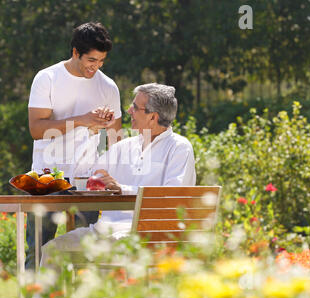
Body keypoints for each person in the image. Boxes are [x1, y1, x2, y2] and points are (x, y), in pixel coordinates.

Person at [40, 83, 196, 268]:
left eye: (136, 107)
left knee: (94, 256)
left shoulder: (179, 147)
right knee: (53, 250)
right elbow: (81, 176)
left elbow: (172, 196)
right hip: (102, 233)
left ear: (153, 117)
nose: (129, 110)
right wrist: (93, 132)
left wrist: (122, 188)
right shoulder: (125, 147)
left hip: (144, 236)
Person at [26, 22, 123, 269]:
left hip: (86, 180)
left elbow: (116, 141)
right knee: (36, 248)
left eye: (102, 61)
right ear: (75, 52)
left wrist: (103, 126)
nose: (96, 66)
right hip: (46, 177)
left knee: (86, 250)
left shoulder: (108, 87)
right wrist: (82, 120)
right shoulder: (47, 78)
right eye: (91, 60)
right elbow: (37, 129)